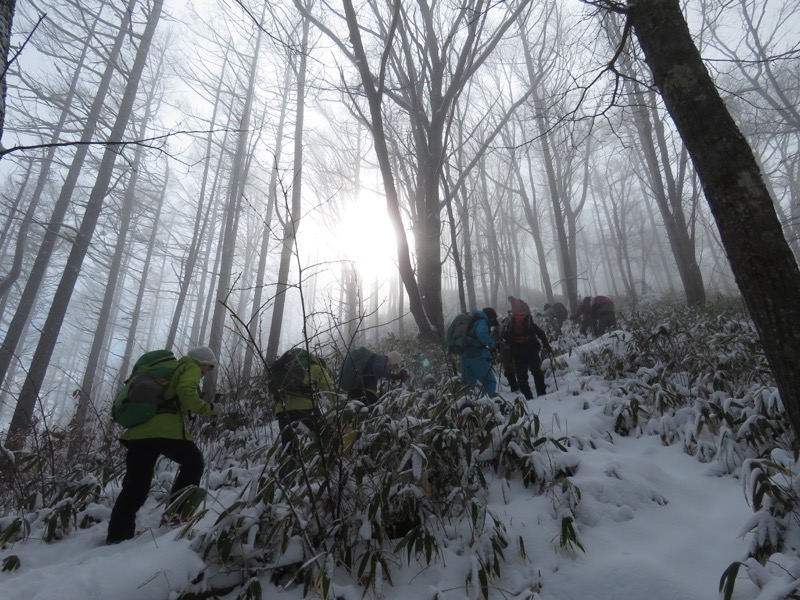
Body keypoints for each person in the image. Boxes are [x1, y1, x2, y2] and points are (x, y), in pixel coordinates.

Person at [106, 346, 221, 544]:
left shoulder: (165, 370)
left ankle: (117, 536)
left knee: (135, 486)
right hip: (163, 430)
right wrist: (209, 408)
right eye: (209, 367)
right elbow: (185, 392)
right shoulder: (190, 367)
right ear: (202, 362)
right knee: (193, 462)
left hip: (138, 433)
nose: (207, 372)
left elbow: (175, 397)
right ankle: (176, 515)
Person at [271, 348, 335, 477]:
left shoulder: (283, 364)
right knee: (325, 435)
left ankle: (286, 480)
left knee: (288, 447)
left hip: (283, 409)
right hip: (307, 407)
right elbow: (329, 388)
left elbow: (274, 390)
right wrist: (343, 404)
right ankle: (329, 466)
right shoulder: (315, 365)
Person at [504, 299, 552, 400]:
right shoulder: (527, 318)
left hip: (517, 350)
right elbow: (541, 333)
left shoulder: (511, 319)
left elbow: (507, 337)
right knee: (536, 371)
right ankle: (541, 394)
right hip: (530, 348)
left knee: (521, 375)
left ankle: (528, 397)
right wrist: (546, 345)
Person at [341, 348, 409, 405]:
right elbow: (376, 369)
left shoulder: (379, 362)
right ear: (393, 361)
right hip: (366, 391)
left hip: (359, 389)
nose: (394, 369)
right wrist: (392, 376)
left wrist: (396, 376)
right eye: (395, 365)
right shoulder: (381, 359)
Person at [460, 307, 499, 396]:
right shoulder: (482, 321)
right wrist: (493, 344)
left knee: (467, 387)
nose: (492, 324)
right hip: (476, 356)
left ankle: (466, 407)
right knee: (490, 382)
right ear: (491, 317)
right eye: (493, 321)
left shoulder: (472, 321)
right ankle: (486, 406)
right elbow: (481, 334)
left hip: (464, 356)